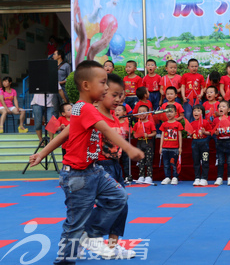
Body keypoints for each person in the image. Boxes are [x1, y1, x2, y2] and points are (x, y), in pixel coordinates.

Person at [28, 60, 144, 263]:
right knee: (74, 225)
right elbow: (105, 130)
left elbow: (65, 133)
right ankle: (65, 260)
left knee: (119, 197)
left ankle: (90, 235)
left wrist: (42, 153)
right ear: (86, 86)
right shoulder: (87, 109)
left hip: (94, 171)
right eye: (103, 82)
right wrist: (129, 148)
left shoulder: (80, 108)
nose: (107, 87)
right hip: (77, 176)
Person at [83, 73, 135, 259]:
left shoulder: (114, 115)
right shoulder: (89, 113)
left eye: (120, 95)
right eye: (114, 94)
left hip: (115, 164)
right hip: (98, 166)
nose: (118, 99)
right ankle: (87, 237)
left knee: (122, 204)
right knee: (106, 204)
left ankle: (111, 245)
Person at [213, 100, 230, 186]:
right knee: (220, 160)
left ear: (229, 110)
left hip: (229, 141)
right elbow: (214, 131)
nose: (221, 108)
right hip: (220, 142)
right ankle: (219, 177)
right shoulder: (216, 120)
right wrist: (216, 132)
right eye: (219, 107)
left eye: (223, 106)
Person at [160, 104, 184, 185]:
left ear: (175, 113)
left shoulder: (178, 124)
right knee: (166, 164)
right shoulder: (164, 124)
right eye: (167, 112)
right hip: (165, 147)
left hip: (174, 148)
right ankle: (167, 177)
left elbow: (180, 136)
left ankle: (175, 177)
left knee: (173, 164)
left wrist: (180, 147)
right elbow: (162, 136)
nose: (169, 114)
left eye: (171, 112)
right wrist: (161, 147)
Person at [133, 105, 156, 184]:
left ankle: (149, 176)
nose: (141, 113)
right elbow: (134, 133)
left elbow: (154, 133)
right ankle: (141, 176)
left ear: (147, 113)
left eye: (144, 112)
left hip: (148, 143)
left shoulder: (150, 123)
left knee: (148, 160)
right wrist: (136, 134)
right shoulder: (137, 124)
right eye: (139, 112)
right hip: (140, 142)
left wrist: (148, 135)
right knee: (140, 160)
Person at [190, 104, 212, 186]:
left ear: (202, 113)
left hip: (204, 143)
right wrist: (189, 134)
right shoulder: (191, 123)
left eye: (198, 111)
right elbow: (190, 134)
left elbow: (210, 132)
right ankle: (197, 178)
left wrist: (204, 132)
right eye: (194, 110)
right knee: (196, 161)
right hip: (195, 143)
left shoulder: (205, 122)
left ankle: (204, 178)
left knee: (205, 160)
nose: (196, 112)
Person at [53, 49, 71, 117]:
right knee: (55, 109)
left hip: (63, 90)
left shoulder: (66, 65)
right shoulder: (53, 65)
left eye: (55, 54)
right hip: (54, 90)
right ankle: (57, 125)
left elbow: (69, 77)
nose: (53, 56)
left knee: (64, 107)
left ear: (59, 56)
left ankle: (65, 124)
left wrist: (62, 82)